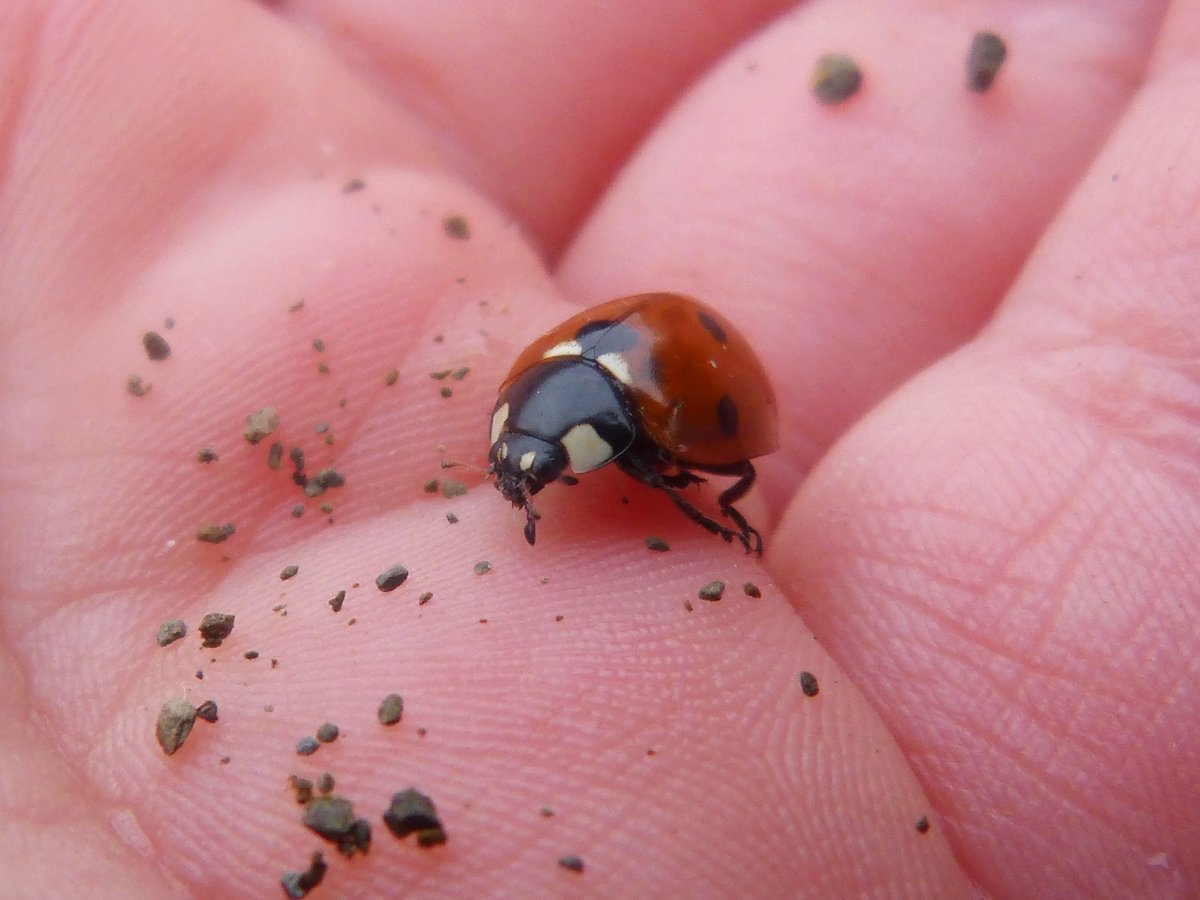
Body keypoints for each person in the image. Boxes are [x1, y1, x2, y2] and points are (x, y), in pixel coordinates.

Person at [0, 2, 1194, 897]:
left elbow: (677, 451)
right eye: (531, 461)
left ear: (597, 443)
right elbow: (555, 414)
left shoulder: (645, 427)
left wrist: (685, 498)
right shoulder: (547, 400)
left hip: (647, 386)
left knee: (695, 481)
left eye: (543, 463)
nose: (534, 478)